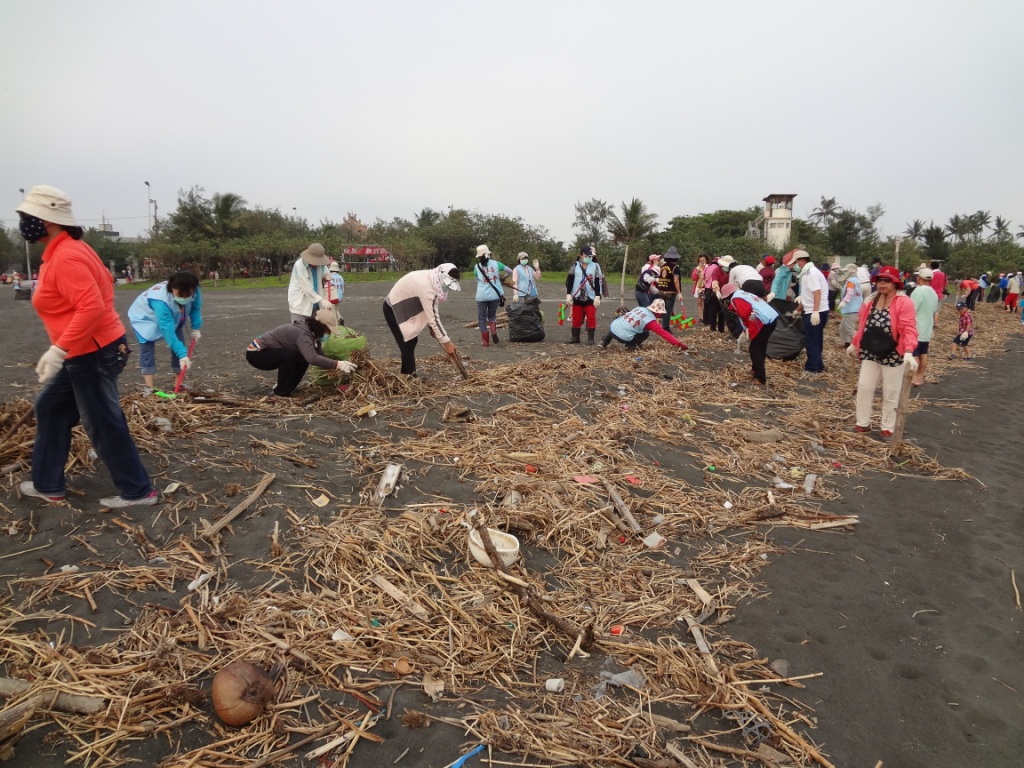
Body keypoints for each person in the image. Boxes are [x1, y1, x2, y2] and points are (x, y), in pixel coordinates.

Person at [15, 185, 156, 508]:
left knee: (103, 423)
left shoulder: (66, 256)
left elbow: (91, 306)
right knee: (50, 407)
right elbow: (103, 287)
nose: (24, 222)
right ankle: (47, 484)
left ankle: (138, 491)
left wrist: (59, 349)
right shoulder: (69, 249)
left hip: (90, 352)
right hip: (89, 349)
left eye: (27, 217)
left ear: (47, 220)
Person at [848, 266, 919, 439]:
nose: (883, 284)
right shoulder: (871, 299)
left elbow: (908, 327)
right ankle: (862, 422)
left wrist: (909, 350)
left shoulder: (903, 302)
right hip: (871, 349)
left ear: (895, 283)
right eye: (880, 280)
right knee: (864, 386)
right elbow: (863, 324)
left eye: (887, 281)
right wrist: (854, 343)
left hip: (893, 352)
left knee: (891, 390)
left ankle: (888, 425)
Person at [246, 308, 358, 396]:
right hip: (257, 354)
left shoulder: (313, 334)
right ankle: (280, 392)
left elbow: (319, 355)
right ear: (320, 326)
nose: (328, 333)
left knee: (301, 357)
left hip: (269, 352)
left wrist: (340, 365)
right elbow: (312, 358)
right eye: (328, 330)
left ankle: (288, 388)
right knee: (292, 356)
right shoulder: (303, 334)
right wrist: (338, 364)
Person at [127, 272, 203, 394]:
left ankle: (178, 384)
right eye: (180, 294)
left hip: (173, 316)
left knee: (180, 343)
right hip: (146, 318)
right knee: (147, 348)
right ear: (173, 289)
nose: (184, 297)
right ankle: (149, 388)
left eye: (187, 294)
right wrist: (183, 355)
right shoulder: (160, 300)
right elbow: (167, 330)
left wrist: (195, 327)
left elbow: (196, 307)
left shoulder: (194, 289)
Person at [383, 263, 461, 377]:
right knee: (408, 343)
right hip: (393, 308)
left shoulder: (432, 279)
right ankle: (410, 375)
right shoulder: (427, 288)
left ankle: (406, 374)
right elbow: (433, 317)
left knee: (411, 341)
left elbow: (432, 309)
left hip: (405, 307)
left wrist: (432, 329)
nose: (446, 288)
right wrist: (447, 342)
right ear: (441, 277)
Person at [720, 284, 779, 386]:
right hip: (771, 317)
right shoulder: (743, 294)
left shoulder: (736, 299)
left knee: (755, 349)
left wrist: (751, 332)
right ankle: (755, 370)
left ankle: (760, 378)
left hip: (763, 321)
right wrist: (745, 330)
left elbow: (749, 315)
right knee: (759, 347)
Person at [789, 249, 831, 373]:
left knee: (811, 340)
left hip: (815, 312)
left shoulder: (810, 273)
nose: (796, 265)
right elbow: (807, 296)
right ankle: (819, 365)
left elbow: (816, 292)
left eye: (797, 262)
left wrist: (815, 311)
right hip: (815, 309)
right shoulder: (809, 272)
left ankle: (812, 368)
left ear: (802, 260)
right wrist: (797, 310)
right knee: (816, 339)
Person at [598, 298, 688, 352]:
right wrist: (679, 344)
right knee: (645, 333)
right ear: (657, 312)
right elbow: (664, 334)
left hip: (613, 329)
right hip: (624, 337)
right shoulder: (650, 321)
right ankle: (631, 345)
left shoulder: (640, 308)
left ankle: (604, 342)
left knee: (619, 323)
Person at [472, 244, 512, 346]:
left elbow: (478, 281)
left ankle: (485, 342)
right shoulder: (496, 264)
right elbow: (510, 271)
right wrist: (503, 277)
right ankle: (494, 332)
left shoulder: (476, 267)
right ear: (488, 254)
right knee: (492, 316)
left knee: (482, 318)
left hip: (481, 296)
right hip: (495, 295)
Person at [564, 245, 604, 345]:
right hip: (577, 296)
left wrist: (598, 296)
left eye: (591, 256)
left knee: (591, 317)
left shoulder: (595, 266)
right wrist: (568, 294)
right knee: (576, 318)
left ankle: (591, 338)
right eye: (587, 256)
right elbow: (570, 281)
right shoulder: (575, 265)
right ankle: (575, 337)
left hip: (590, 296)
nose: (589, 258)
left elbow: (597, 282)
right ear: (581, 255)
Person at [288, 243, 331, 322]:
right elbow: (306, 288)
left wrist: (328, 277)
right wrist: (322, 301)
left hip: (316, 302)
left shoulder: (320, 265)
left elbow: (327, 274)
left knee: (315, 330)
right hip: (300, 302)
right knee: (300, 330)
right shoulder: (300, 265)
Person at [910, 268, 938, 387]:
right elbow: (934, 311)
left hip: (917, 327)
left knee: (915, 354)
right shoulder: (934, 293)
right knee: (924, 353)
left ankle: (915, 377)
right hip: (927, 327)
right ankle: (920, 377)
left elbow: (911, 310)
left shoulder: (918, 291)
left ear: (919, 278)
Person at [654, 247, 682, 329]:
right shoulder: (675, 267)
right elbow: (676, 281)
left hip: (661, 290)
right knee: (668, 311)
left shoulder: (663, 266)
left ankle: (659, 326)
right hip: (670, 291)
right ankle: (665, 328)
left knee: (661, 309)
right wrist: (679, 292)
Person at [836, 263, 863, 348]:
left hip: (851, 308)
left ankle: (860, 344)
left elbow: (850, 293)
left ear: (851, 272)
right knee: (843, 327)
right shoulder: (855, 280)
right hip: (853, 307)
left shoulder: (851, 281)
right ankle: (847, 343)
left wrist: (843, 302)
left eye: (846, 271)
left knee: (849, 328)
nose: (844, 273)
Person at [703, 256, 729, 332]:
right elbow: (714, 282)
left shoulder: (729, 272)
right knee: (713, 311)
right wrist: (717, 291)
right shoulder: (716, 271)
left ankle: (721, 329)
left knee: (722, 312)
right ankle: (713, 329)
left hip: (725, 293)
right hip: (715, 292)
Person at [691, 254, 708, 320]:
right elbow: (693, 278)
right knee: (699, 302)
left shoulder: (708, 267)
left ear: (706, 260)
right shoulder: (697, 269)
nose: (702, 262)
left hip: (706, 287)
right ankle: (702, 318)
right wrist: (697, 273)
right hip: (698, 287)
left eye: (703, 260)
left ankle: (706, 317)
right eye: (700, 260)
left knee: (705, 303)